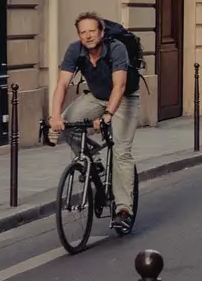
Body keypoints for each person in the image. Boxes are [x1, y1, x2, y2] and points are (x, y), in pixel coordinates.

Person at [49, 12, 138, 234]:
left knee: (121, 152)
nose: (87, 36)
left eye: (92, 31)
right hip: (96, 96)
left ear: (101, 32)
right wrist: (55, 116)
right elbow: (62, 84)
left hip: (124, 99)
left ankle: (124, 211)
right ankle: (94, 160)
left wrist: (107, 115)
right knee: (69, 123)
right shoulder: (75, 50)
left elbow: (119, 86)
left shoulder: (116, 48)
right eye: (83, 32)